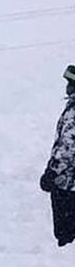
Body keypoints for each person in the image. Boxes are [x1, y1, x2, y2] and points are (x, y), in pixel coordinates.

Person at [39, 64, 75, 246]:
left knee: (65, 234)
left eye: (71, 83)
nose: (67, 88)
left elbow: (68, 147)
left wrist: (52, 173)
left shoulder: (74, 112)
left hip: (67, 185)